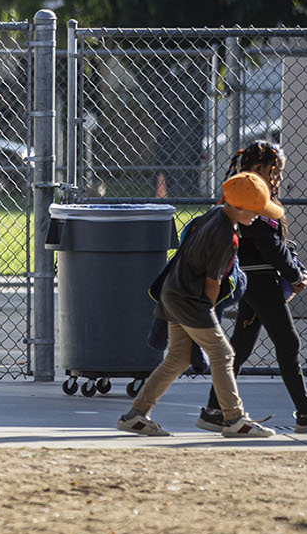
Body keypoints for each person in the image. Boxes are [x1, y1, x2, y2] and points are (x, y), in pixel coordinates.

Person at [118, 170, 281, 438]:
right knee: (223, 354)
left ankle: (135, 416)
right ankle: (235, 419)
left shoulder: (214, 215)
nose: (258, 215)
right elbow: (212, 283)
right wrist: (209, 314)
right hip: (190, 300)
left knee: (177, 359)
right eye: (254, 210)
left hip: (173, 293)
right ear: (237, 207)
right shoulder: (224, 236)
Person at [199, 143, 307, 434]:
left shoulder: (246, 192)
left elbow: (276, 243)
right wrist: (295, 275)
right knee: (288, 342)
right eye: (276, 171)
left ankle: (213, 409)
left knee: (242, 346)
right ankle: (306, 412)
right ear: (259, 169)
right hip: (260, 280)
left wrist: (292, 267)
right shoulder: (250, 196)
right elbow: (270, 246)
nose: (279, 178)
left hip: (254, 279)